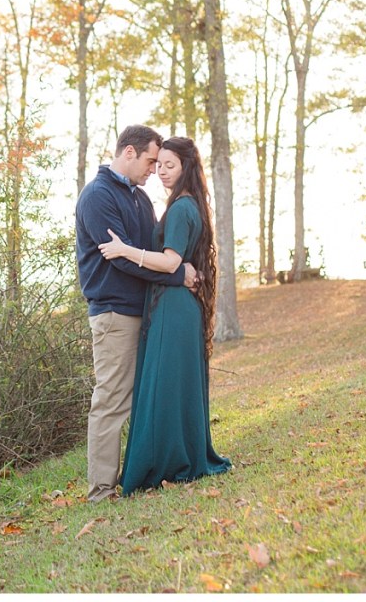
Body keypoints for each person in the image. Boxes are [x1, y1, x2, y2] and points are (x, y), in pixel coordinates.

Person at [98, 136, 232, 494]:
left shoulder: (182, 208)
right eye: (158, 165)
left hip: (174, 308)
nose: (160, 172)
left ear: (187, 167)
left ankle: (168, 463)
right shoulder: (187, 205)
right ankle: (177, 457)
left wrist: (126, 250)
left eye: (169, 165)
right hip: (174, 306)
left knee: (165, 387)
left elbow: (172, 261)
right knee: (171, 386)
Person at [75, 125, 198, 502]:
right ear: (129, 153)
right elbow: (123, 260)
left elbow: (152, 254)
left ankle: (142, 472)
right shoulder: (97, 196)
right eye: (149, 161)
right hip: (114, 313)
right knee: (111, 400)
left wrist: (176, 267)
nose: (153, 170)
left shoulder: (140, 200)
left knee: (140, 396)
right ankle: (100, 490)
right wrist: (179, 276)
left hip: (144, 311)